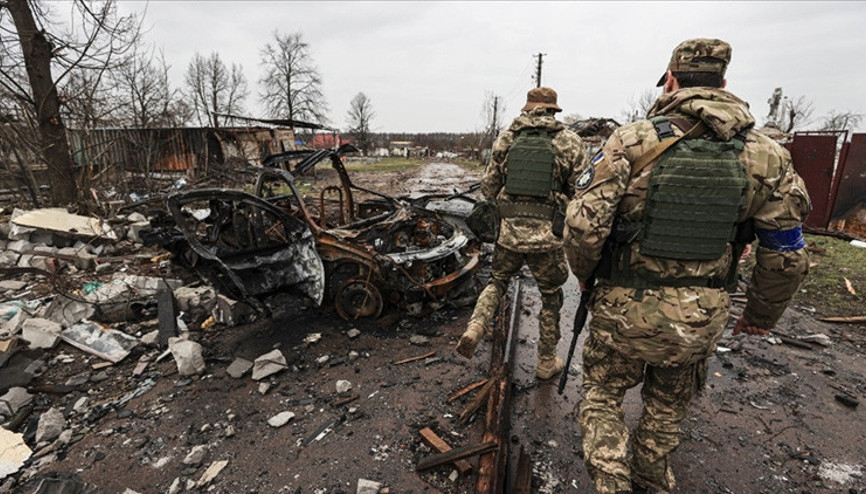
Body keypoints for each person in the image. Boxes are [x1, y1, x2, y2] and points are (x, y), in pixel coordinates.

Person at [563, 39, 811, 493]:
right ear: (724, 82)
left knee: (602, 396)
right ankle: (653, 475)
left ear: (672, 79)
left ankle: (610, 482)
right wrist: (760, 316)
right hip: (701, 315)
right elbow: (786, 252)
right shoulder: (767, 154)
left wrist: (585, 273)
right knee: (668, 404)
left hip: (622, 309)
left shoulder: (632, 140)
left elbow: (583, 225)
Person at [456, 86, 588, 380]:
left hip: (509, 235)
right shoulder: (569, 141)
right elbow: (582, 192)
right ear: (554, 111)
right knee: (551, 296)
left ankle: (475, 326)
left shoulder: (506, 138)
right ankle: (545, 362)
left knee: (497, 282)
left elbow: (488, 188)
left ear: (527, 109)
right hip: (548, 240)